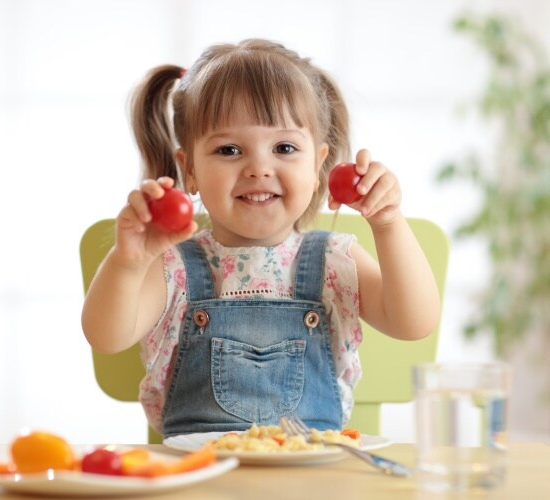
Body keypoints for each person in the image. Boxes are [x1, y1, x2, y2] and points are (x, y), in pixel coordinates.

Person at [81, 39, 441, 438]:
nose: (258, 168)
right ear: (191, 171)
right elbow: (106, 336)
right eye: (229, 149)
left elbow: (415, 323)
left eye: (284, 147)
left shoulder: (335, 261)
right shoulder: (174, 267)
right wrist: (127, 263)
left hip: (310, 469)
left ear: (319, 165)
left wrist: (388, 223)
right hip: (202, 474)